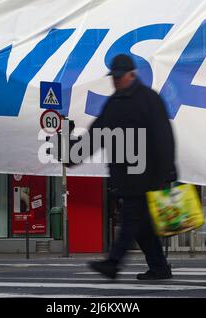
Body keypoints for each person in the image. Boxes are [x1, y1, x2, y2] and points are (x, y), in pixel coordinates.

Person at [69, 54, 177, 280]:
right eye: (114, 77)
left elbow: (164, 137)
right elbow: (97, 134)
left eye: (120, 76)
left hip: (146, 176)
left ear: (132, 74)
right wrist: (73, 155)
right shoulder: (115, 102)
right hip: (126, 176)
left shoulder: (149, 99)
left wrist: (165, 172)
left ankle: (113, 263)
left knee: (131, 221)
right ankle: (159, 267)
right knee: (142, 226)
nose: (116, 81)